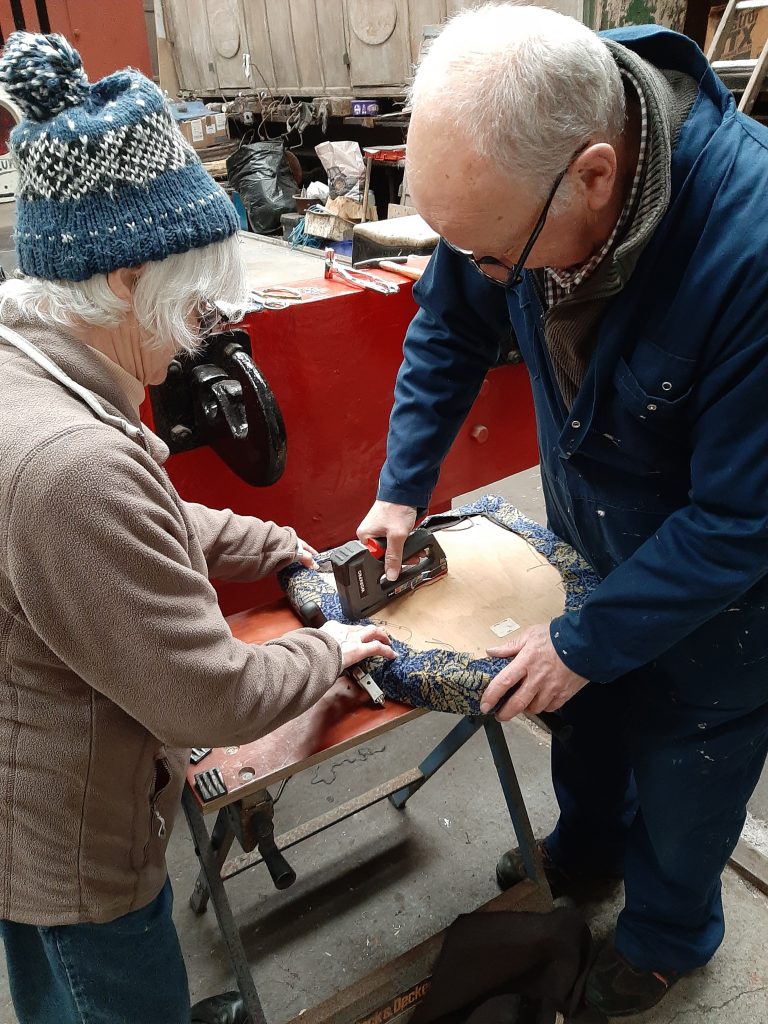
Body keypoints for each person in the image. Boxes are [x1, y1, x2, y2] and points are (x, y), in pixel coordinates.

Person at [357, 4, 768, 1017]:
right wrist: (401, 487)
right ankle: (586, 852)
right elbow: (450, 328)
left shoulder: (752, 252)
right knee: (581, 714)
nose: (487, 271)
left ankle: (668, 935)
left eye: (499, 256)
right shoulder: (512, 171)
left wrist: (592, 635)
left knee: (685, 772)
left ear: (595, 174)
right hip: (596, 525)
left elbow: (740, 521)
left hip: (721, 596)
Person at [0, 32, 395, 1024]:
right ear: (125, 276)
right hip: (73, 835)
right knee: (109, 990)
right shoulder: (73, 467)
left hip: (24, 796)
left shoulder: (36, 369)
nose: (207, 322)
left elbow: (148, 513)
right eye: (195, 291)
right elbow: (205, 697)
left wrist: (274, 546)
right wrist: (329, 646)